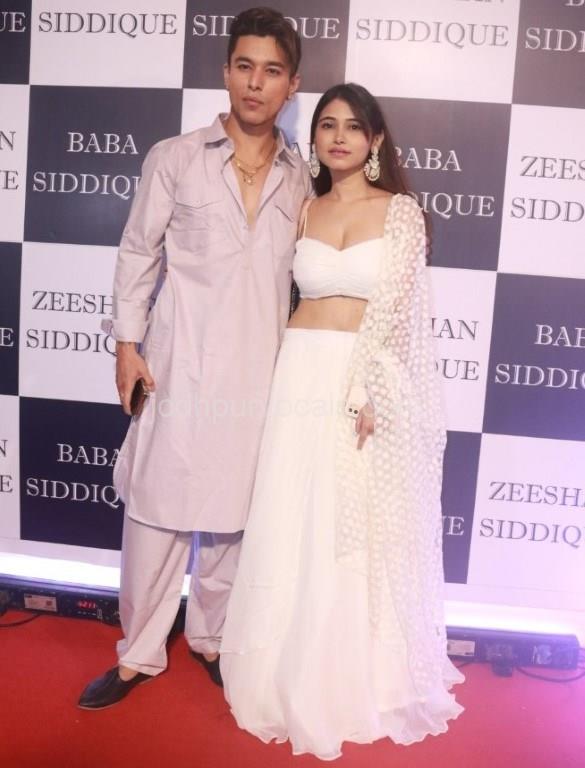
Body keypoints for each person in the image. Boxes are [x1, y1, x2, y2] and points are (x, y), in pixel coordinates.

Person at [220, 83, 464, 759]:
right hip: (298, 371)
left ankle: (355, 675)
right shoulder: (305, 207)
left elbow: (399, 314)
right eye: (327, 125)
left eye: (353, 127)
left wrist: (367, 388)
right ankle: (279, 666)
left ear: (375, 140)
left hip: (363, 380)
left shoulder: (400, 213)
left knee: (349, 522)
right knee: (292, 512)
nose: (338, 137)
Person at [78, 7, 310, 710]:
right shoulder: (174, 157)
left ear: (291, 85)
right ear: (225, 72)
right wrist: (126, 346)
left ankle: (211, 638)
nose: (255, 83)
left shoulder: (301, 177)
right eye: (244, 66)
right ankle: (137, 654)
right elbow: (137, 253)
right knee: (157, 509)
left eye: (271, 70)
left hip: (261, 372)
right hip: (178, 362)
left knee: (235, 516)